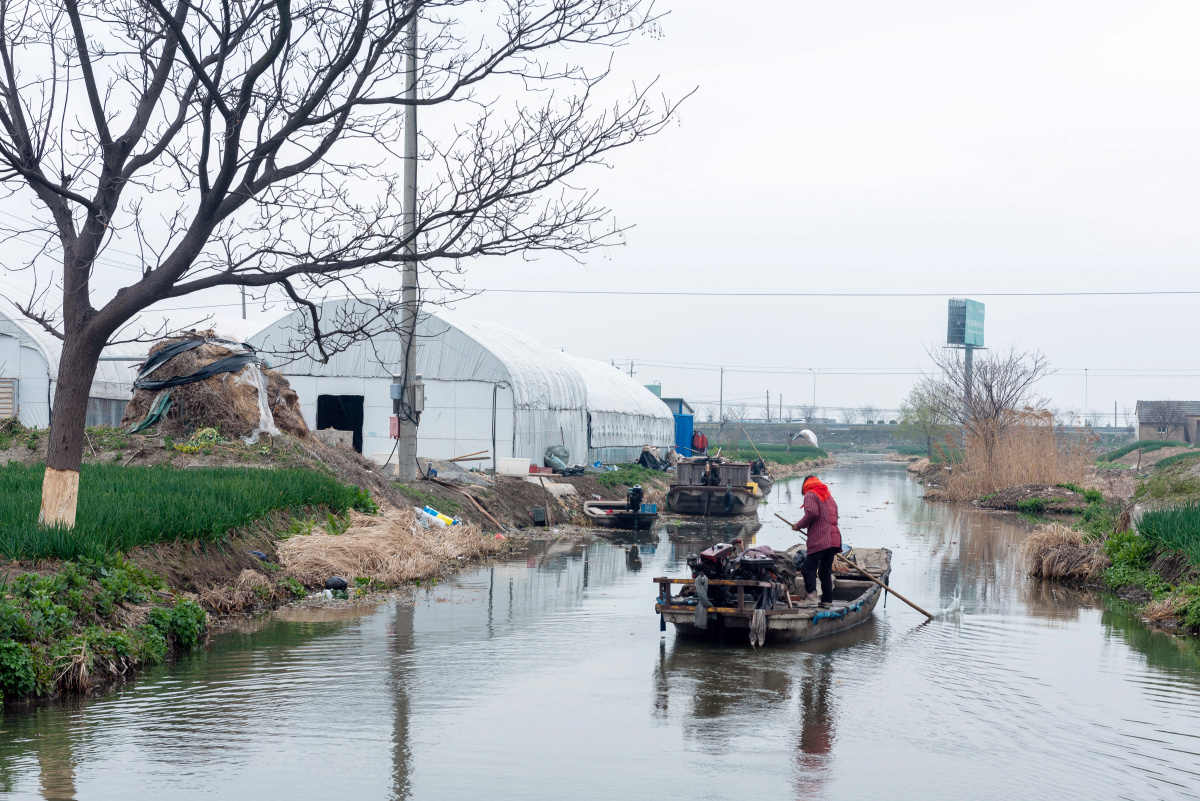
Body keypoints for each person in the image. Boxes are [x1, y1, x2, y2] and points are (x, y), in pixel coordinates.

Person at [792, 475, 842, 608]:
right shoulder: (828, 497)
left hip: (821, 539)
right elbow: (833, 516)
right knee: (825, 571)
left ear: (806, 486)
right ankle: (827, 600)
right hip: (834, 539)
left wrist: (799, 525)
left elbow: (812, 513)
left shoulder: (811, 494)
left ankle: (812, 599)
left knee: (808, 569)